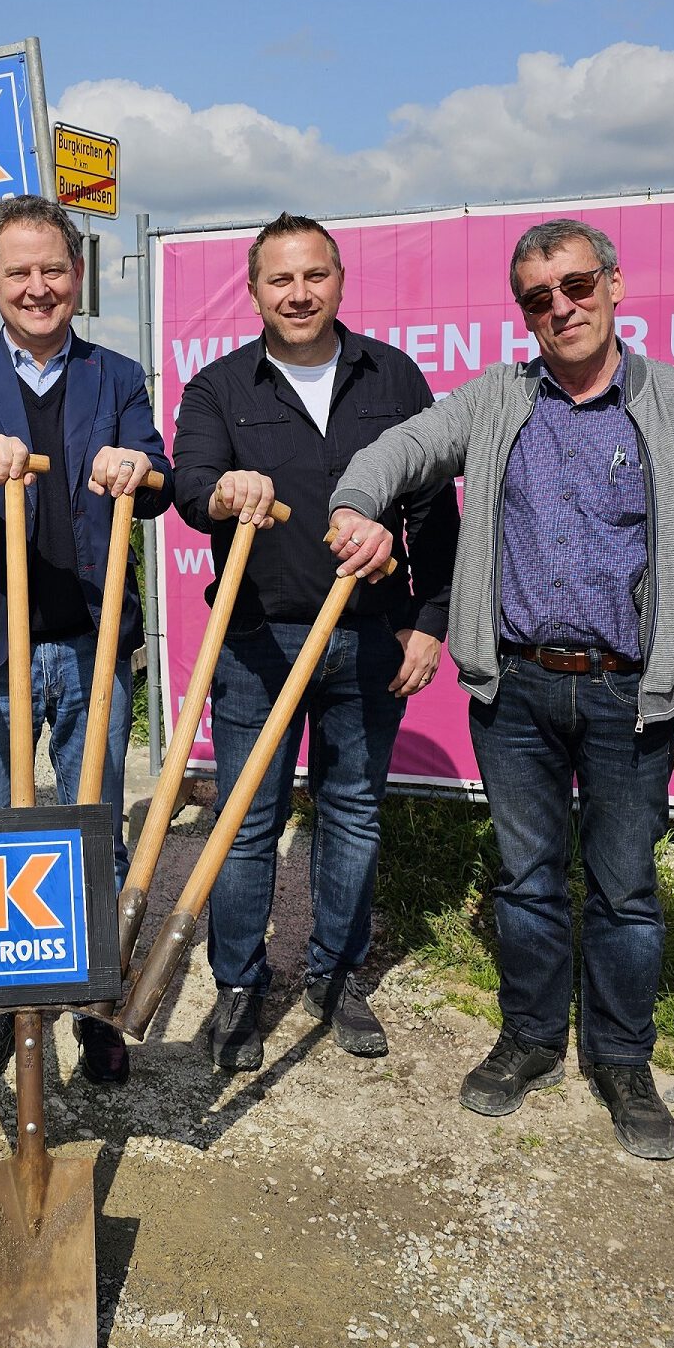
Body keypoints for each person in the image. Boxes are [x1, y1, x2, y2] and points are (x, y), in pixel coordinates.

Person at [329, 218, 674, 1161]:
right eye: (537, 297)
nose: (560, 307)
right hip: (515, 692)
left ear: (613, 284)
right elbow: (403, 447)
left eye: (575, 285)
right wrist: (356, 503)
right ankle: (529, 1039)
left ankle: (622, 1058)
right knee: (524, 881)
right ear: (522, 311)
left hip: (630, 696)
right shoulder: (497, 398)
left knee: (626, 890)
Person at [173, 212, 459, 1073]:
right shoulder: (220, 387)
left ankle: (338, 978)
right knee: (246, 819)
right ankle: (239, 988)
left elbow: (433, 512)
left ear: (340, 280)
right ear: (254, 290)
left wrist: (429, 619)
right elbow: (189, 489)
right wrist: (226, 489)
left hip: (369, 637)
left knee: (352, 814)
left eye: (314, 276)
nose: (299, 294)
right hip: (257, 641)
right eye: (279, 280)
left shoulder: (395, 377)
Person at [0, 194, 172, 1087]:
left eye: (53, 269)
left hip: (93, 643)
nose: (38, 286)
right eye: (18, 271)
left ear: (79, 276)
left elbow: (159, 468)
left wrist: (142, 465)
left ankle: (92, 1006)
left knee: (91, 826)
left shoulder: (117, 374)